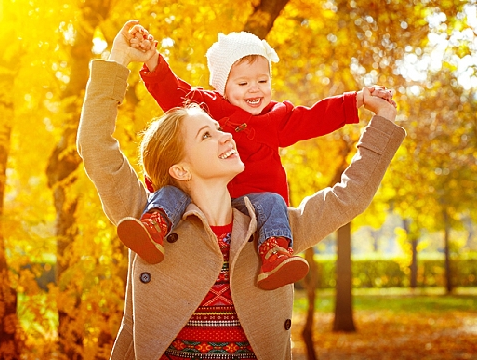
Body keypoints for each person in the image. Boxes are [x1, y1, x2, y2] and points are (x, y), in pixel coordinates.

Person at [77, 20, 405, 359]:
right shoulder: (143, 222)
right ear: (180, 167)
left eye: (220, 129)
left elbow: (350, 195)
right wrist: (119, 59)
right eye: (207, 134)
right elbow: (96, 145)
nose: (228, 134)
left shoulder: (273, 231)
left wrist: (381, 120)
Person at [117, 24, 395, 290]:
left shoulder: (276, 118)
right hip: (206, 202)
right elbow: (174, 92)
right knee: (171, 191)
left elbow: (315, 117)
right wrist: (152, 59)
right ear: (222, 87)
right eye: (243, 82)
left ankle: (274, 252)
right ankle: (153, 227)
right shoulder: (207, 108)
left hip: (256, 205)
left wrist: (357, 99)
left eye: (263, 80)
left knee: (274, 202)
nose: (255, 89)